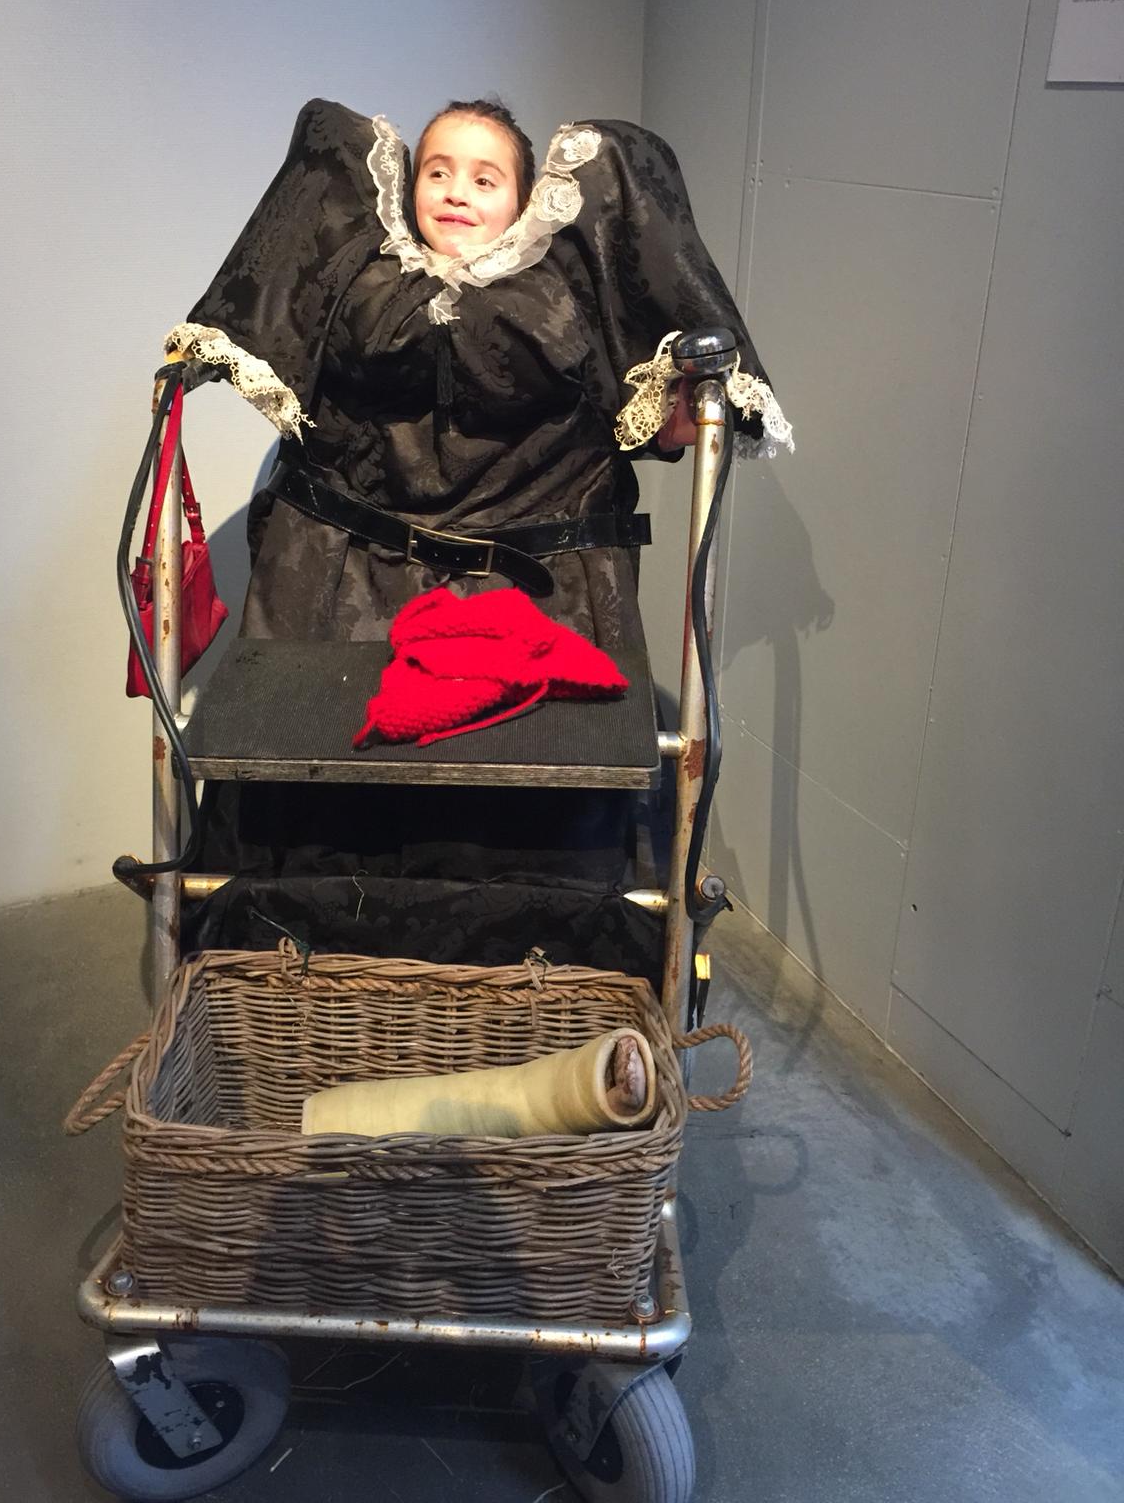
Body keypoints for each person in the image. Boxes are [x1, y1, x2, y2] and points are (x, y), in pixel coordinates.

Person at [163, 97, 791, 970]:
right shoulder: (349, 286)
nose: (457, 191)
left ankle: (533, 981)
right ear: (406, 185)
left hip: (535, 598)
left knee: (512, 820)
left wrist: (681, 411)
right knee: (333, 807)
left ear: (528, 202)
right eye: (439, 171)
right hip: (343, 584)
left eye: (486, 178)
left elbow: (660, 418)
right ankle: (304, 972)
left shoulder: (576, 297)